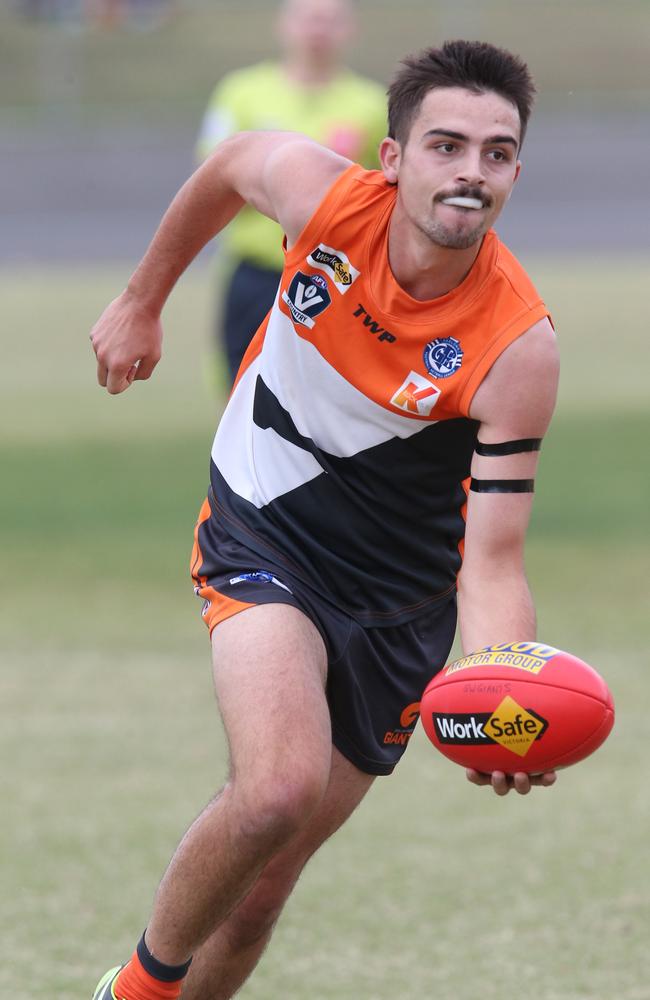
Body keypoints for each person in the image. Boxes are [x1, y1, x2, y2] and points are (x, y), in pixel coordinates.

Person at [90, 39, 560, 1000]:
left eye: (497, 153)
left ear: (515, 171)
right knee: (275, 789)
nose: (471, 170)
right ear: (395, 160)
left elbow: (495, 557)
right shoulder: (326, 198)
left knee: (263, 890)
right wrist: (143, 302)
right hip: (264, 524)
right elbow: (227, 168)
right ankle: (131, 995)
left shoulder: (518, 345)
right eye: (447, 144)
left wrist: (503, 685)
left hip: (399, 607)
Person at [196, 0, 387, 384]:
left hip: (332, 275)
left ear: (349, 30)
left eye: (330, 20)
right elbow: (214, 179)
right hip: (256, 271)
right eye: (308, 18)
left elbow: (386, 194)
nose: (317, 29)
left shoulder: (371, 103)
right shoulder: (242, 92)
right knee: (241, 385)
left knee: (328, 391)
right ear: (284, 25)